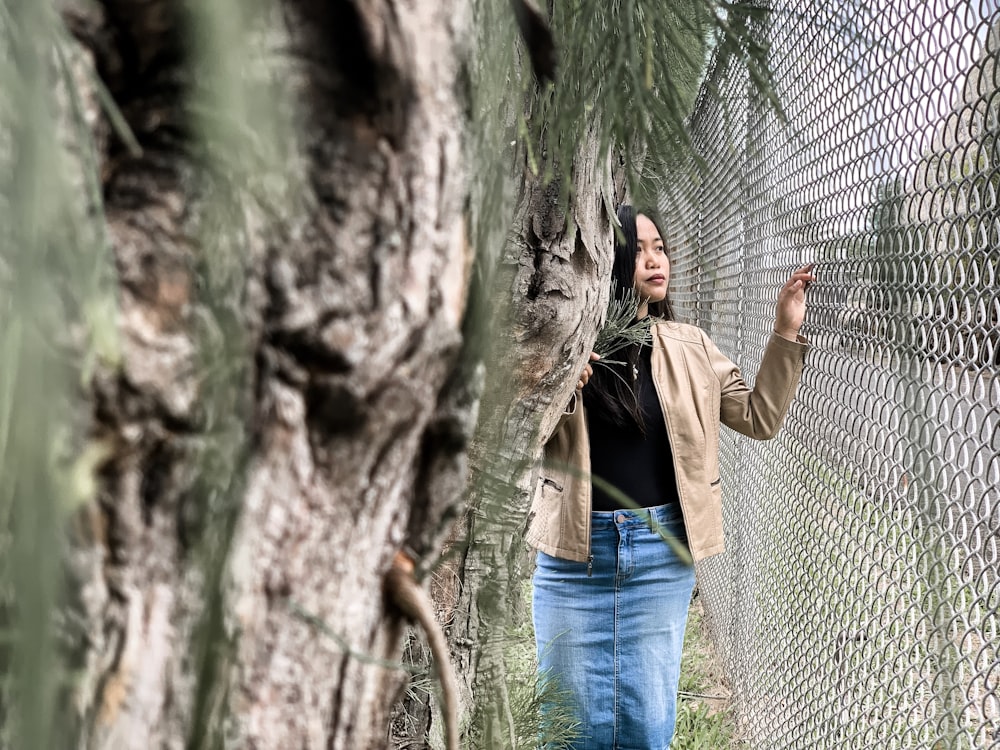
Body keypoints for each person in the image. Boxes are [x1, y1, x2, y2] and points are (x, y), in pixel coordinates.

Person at [526, 204, 814, 749]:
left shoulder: (691, 346)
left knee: (647, 727)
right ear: (608, 262)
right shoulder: (569, 346)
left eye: (660, 247)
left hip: (662, 554)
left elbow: (759, 417)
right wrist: (559, 383)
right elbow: (521, 437)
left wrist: (784, 333)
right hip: (572, 558)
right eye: (639, 249)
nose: (655, 259)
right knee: (564, 731)